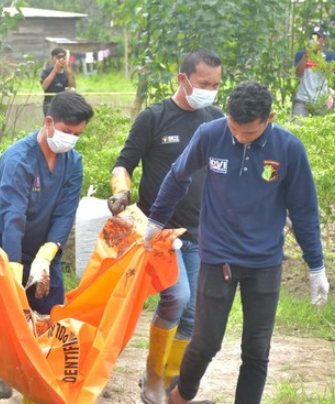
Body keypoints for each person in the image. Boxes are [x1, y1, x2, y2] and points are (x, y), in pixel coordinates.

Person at [142, 81, 330, 404]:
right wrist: (156, 220)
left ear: (269, 117)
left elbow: (304, 210)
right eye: (235, 129)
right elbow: (178, 176)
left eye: (250, 134)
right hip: (218, 258)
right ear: (228, 115)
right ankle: (180, 397)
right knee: (205, 343)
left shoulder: (289, 149)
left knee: (257, 351)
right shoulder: (211, 135)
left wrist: (316, 265)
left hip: (264, 263)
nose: (240, 137)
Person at [107, 49, 223, 404]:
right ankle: (153, 377)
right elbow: (122, 164)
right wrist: (121, 192)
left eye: (216, 84)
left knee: (192, 314)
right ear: (182, 79)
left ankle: (172, 383)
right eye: (204, 83)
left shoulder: (216, 119)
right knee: (177, 296)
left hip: (200, 233)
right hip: (159, 233)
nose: (210, 90)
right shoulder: (153, 118)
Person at [0, 90, 94, 399]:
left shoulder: (73, 162)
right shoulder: (19, 159)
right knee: (10, 315)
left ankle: (40, 383)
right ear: (48, 122)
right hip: (6, 244)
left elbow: (65, 213)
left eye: (77, 134)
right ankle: (2, 367)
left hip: (45, 245)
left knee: (50, 313)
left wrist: (46, 257)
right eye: (67, 132)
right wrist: (14, 273)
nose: (71, 139)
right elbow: (12, 216)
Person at [293, 26, 335, 118]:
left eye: (318, 37)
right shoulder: (300, 55)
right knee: (297, 124)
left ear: (324, 40)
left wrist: (319, 55)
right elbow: (297, 74)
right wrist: (306, 55)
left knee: (324, 128)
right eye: (313, 37)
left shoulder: (329, 55)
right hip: (302, 99)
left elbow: (328, 73)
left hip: (321, 101)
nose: (315, 40)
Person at [40, 47, 76, 115]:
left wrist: (68, 72)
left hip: (65, 104)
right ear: (53, 58)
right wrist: (55, 69)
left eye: (63, 57)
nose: (61, 59)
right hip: (49, 104)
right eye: (58, 57)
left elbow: (73, 88)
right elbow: (44, 86)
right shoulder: (46, 72)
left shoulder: (68, 72)